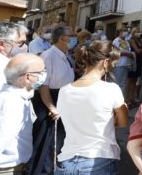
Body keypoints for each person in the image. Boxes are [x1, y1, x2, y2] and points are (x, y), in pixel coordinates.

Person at [55, 41, 128, 175]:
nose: (112, 68)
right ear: (105, 62)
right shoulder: (111, 89)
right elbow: (123, 122)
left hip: (65, 161)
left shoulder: (64, 90)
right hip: (99, 160)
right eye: (113, 64)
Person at [0, 53, 45, 175]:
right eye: (41, 72)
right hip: (2, 170)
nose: (44, 75)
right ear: (27, 77)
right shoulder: (12, 103)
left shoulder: (2, 97)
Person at [28, 26, 76, 175]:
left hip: (63, 99)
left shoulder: (65, 55)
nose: (74, 38)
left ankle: (52, 170)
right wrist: (51, 107)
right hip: (50, 101)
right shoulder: (48, 56)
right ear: (62, 38)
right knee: (46, 142)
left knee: (58, 141)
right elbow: (44, 85)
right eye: (71, 35)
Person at [112, 28, 134, 99]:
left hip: (126, 64)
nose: (125, 32)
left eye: (126, 31)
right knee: (117, 83)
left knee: (123, 84)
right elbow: (115, 52)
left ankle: (120, 100)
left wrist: (130, 55)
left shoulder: (126, 41)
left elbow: (129, 51)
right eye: (124, 31)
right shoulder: (116, 40)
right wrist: (127, 54)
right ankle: (114, 100)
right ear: (120, 32)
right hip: (119, 64)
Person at [126, 28, 142, 107]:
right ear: (133, 33)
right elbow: (137, 50)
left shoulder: (139, 40)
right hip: (134, 61)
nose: (138, 33)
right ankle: (128, 99)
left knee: (135, 80)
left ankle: (133, 98)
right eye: (137, 32)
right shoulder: (131, 40)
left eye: (139, 31)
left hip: (139, 61)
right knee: (131, 80)